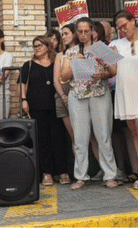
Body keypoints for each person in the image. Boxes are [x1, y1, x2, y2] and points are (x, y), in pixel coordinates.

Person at [101, 11, 138, 191]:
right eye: (119, 27)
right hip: (125, 92)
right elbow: (113, 71)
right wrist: (106, 61)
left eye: (124, 25)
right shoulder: (116, 44)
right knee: (134, 132)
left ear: (133, 21)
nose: (122, 29)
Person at [59, 17, 120, 190]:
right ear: (76, 33)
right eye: (80, 32)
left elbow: (114, 71)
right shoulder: (70, 52)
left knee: (103, 136)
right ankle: (80, 176)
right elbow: (63, 77)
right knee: (80, 138)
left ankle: (110, 175)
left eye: (87, 31)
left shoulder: (102, 48)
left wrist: (103, 72)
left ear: (92, 31)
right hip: (77, 95)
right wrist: (74, 64)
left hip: (99, 93)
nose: (83, 35)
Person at [20, 35, 69, 186]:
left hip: (55, 105)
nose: (37, 48)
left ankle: (62, 172)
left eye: (40, 45)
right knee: (42, 140)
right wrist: (23, 100)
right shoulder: (28, 65)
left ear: (47, 46)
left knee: (59, 138)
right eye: (35, 46)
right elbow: (22, 84)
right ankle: (46, 173)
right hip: (36, 106)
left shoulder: (56, 63)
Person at [54, 23, 77, 164]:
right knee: (74, 137)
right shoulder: (60, 55)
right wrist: (63, 96)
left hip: (79, 92)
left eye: (66, 33)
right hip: (63, 94)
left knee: (87, 136)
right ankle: (80, 170)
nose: (63, 37)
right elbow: (56, 79)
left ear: (74, 34)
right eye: (62, 34)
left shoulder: (82, 50)